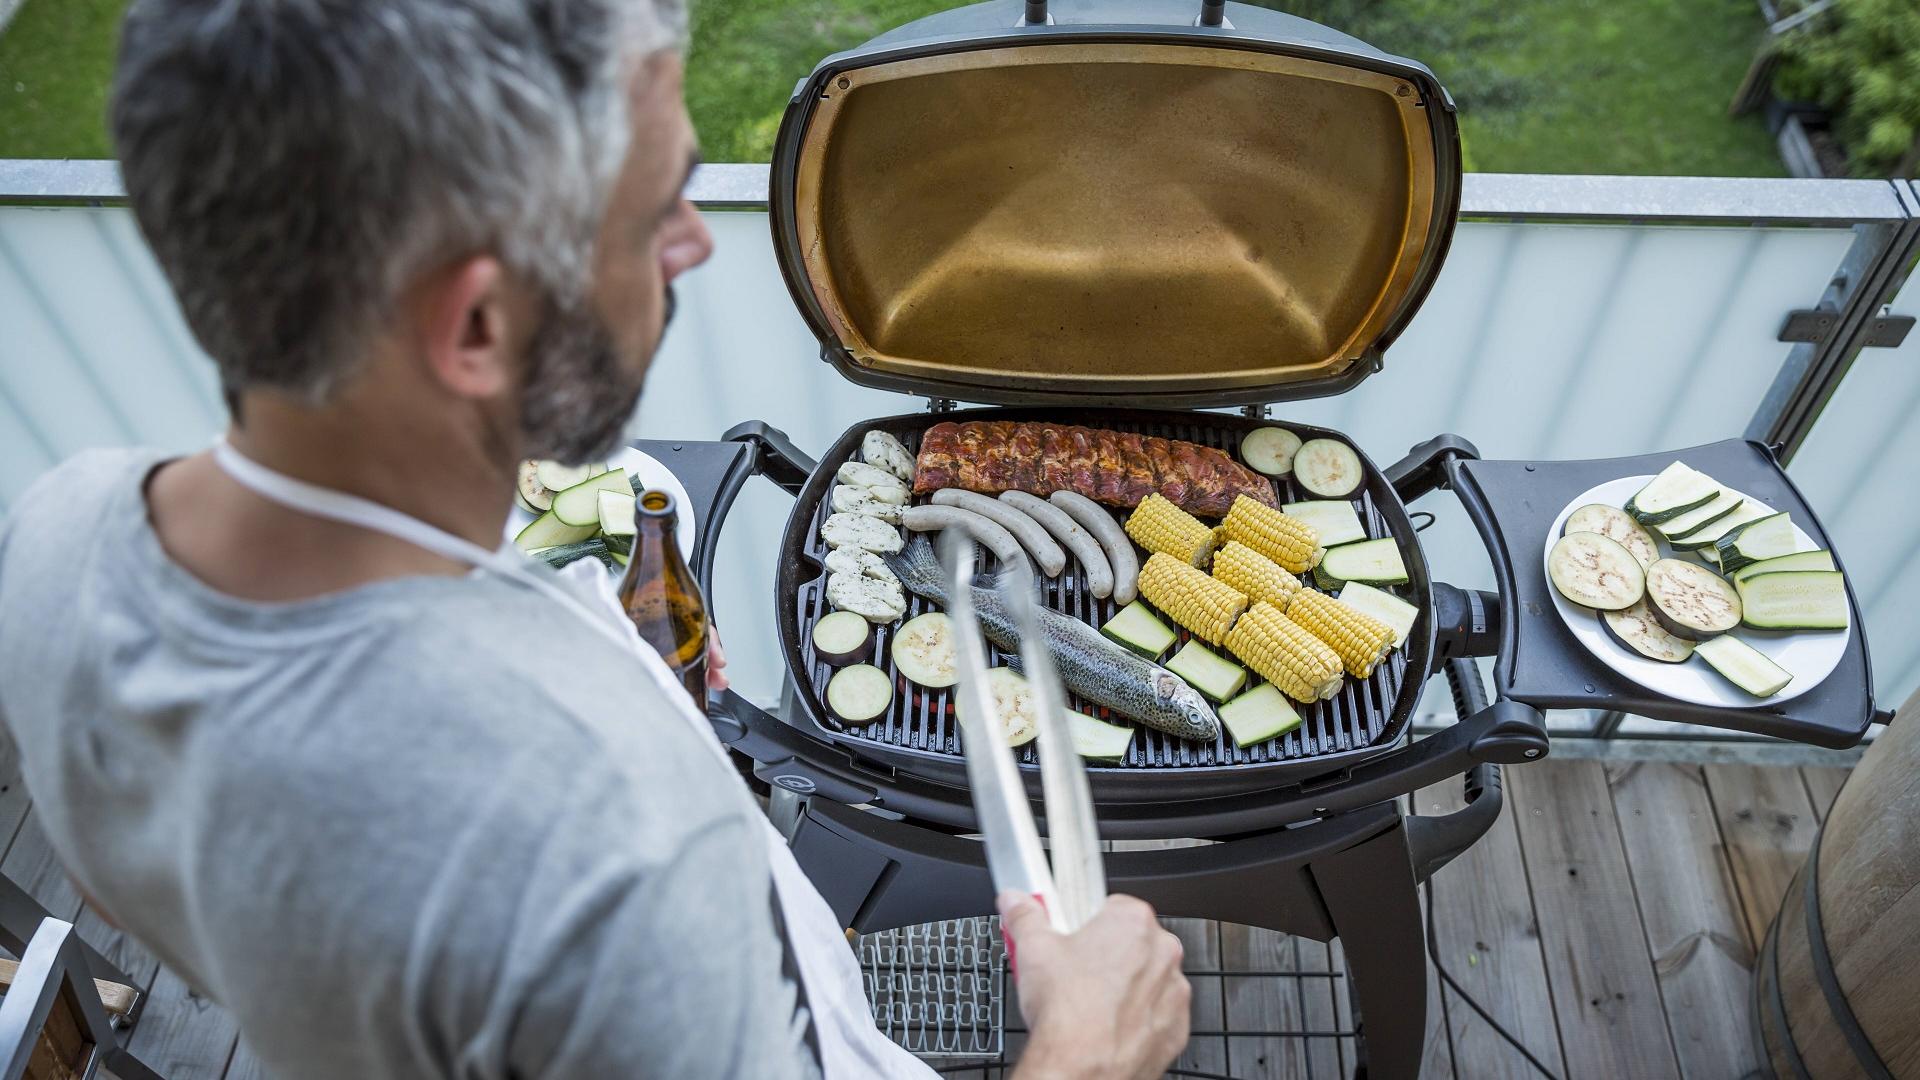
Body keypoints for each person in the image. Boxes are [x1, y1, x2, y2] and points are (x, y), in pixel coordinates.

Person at [0, 0, 1193, 1077]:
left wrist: (604, 648)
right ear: (474, 324)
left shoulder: (61, 537)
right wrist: (1091, 1049)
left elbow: (131, 877)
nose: (695, 242)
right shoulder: (615, 858)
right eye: (653, 208)